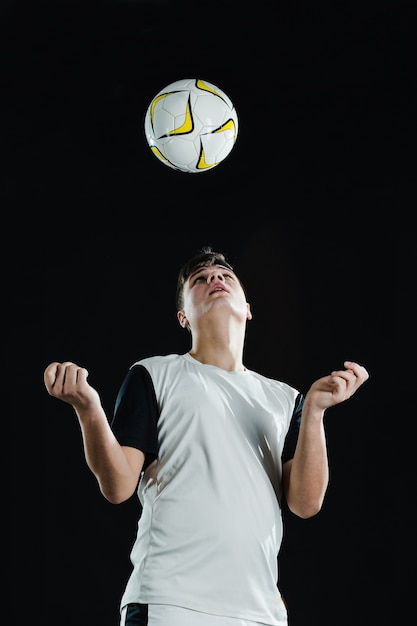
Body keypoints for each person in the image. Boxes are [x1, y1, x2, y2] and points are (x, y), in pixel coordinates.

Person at [44, 245, 369, 626]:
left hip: (259, 613)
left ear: (248, 307)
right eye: (200, 279)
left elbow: (305, 502)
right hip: (170, 602)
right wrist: (87, 407)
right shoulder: (154, 374)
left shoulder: (286, 399)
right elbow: (117, 486)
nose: (215, 278)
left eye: (226, 276)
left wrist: (314, 409)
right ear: (183, 316)